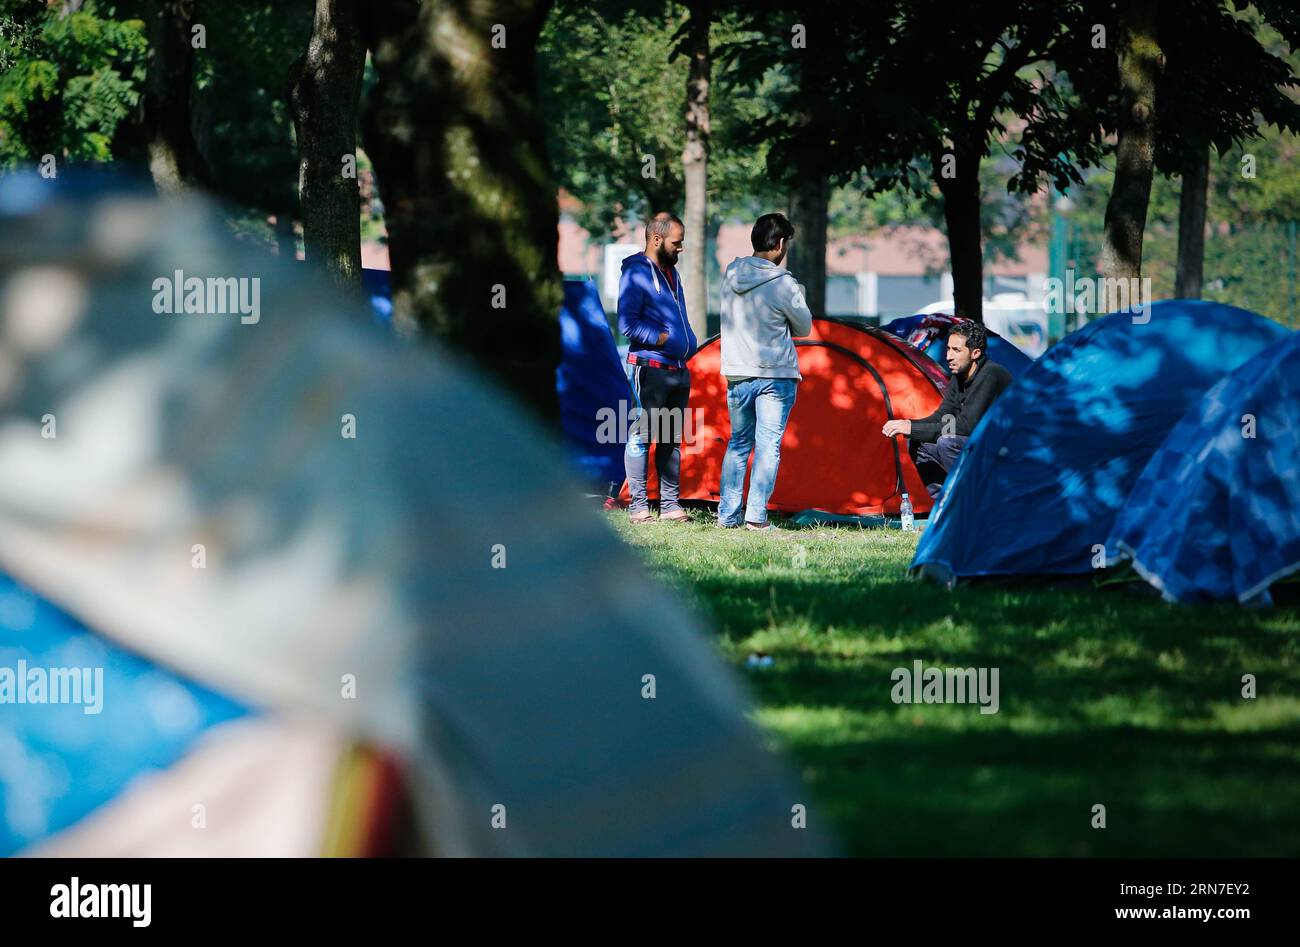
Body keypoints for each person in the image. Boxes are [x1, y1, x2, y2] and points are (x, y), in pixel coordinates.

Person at [716, 213, 813, 530]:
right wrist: (798, 292)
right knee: (767, 446)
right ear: (781, 244)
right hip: (775, 375)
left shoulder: (730, 275)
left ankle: (727, 515)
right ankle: (756, 518)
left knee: (738, 444)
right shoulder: (783, 283)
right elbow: (803, 327)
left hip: (737, 374)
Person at [617, 212, 699, 523]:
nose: (681, 248)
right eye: (677, 242)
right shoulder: (635, 273)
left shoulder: (671, 273)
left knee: (671, 438)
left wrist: (686, 341)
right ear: (657, 239)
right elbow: (627, 323)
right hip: (650, 367)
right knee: (642, 434)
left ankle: (670, 507)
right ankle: (638, 508)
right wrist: (661, 337)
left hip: (678, 368)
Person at [882, 319, 1012, 498]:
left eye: (956, 350)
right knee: (921, 444)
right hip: (983, 445)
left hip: (1007, 449)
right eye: (949, 349)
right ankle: (943, 508)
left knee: (947, 442)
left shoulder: (990, 375)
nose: (949, 356)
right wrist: (908, 425)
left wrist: (912, 428)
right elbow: (943, 417)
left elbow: (965, 426)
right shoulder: (959, 376)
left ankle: (974, 503)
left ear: (975, 353)